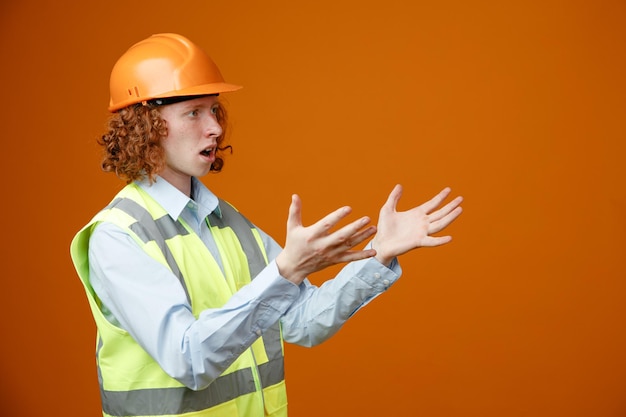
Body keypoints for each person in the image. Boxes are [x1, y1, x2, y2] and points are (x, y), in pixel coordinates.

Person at [70, 33, 463, 417]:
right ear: (148, 124)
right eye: (194, 112)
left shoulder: (230, 224)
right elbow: (189, 359)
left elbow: (305, 321)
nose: (216, 128)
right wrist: (284, 271)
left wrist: (381, 255)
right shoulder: (118, 236)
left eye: (214, 109)